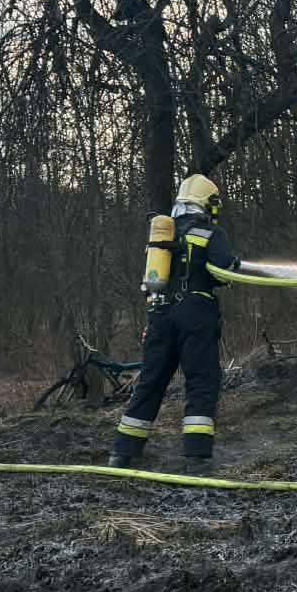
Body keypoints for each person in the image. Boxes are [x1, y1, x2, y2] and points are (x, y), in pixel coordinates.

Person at [110, 173, 256, 471]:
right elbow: (224, 270)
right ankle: (197, 457)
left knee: (151, 382)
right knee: (201, 381)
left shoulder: (164, 233)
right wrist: (235, 266)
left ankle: (122, 454)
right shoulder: (210, 233)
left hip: (159, 314)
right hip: (196, 314)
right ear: (207, 203)